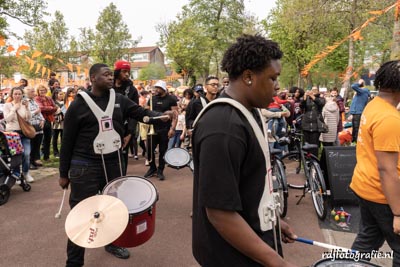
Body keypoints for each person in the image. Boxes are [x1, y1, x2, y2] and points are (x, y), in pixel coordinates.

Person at [192, 34, 297, 267]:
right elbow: (220, 213)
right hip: (231, 256)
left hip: (251, 240)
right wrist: (277, 262)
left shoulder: (250, 112)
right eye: (273, 78)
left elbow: (248, 184)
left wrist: (274, 222)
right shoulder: (223, 127)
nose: (278, 86)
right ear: (248, 77)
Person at [59, 63, 175, 267]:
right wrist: (63, 173)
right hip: (84, 165)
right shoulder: (79, 104)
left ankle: (112, 243)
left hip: (113, 162)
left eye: (110, 75)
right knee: (82, 214)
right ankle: (74, 262)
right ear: (93, 78)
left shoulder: (119, 99)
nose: (110, 78)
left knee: (112, 209)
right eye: (105, 75)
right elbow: (67, 141)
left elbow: (140, 113)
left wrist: (161, 116)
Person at [349, 60, 400, 266]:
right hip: (383, 196)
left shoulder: (374, 105)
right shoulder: (389, 118)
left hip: (366, 187)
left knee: (368, 239)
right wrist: (398, 213)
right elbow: (387, 169)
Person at [143, 80, 178, 180]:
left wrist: (172, 128)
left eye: (158, 88)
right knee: (149, 150)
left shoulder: (171, 99)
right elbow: (147, 111)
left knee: (163, 151)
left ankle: (160, 170)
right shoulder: (152, 98)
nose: (156, 90)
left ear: (163, 89)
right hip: (152, 129)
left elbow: (175, 115)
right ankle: (152, 168)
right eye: (155, 88)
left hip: (165, 129)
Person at [113, 60, 139, 174]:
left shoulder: (132, 90)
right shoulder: (107, 87)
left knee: (122, 159)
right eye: (124, 71)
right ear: (117, 72)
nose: (127, 74)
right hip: (107, 128)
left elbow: (135, 113)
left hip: (125, 129)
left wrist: (129, 133)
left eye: (128, 71)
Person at [3, 87, 33, 182]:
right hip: (12, 133)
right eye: (15, 94)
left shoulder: (24, 105)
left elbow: (28, 119)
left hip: (23, 132)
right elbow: (7, 119)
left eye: (19, 94)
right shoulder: (7, 105)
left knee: (26, 153)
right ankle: (16, 174)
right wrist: (14, 109)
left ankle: (25, 172)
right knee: (15, 155)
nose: (17, 96)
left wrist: (27, 108)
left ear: (22, 95)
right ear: (12, 95)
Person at [300, 86, 325, 157]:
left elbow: (321, 104)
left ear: (318, 91)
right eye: (312, 90)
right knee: (305, 144)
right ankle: (306, 161)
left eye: (315, 90)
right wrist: (304, 98)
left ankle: (314, 161)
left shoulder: (321, 98)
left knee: (314, 145)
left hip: (316, 125)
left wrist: (312, 96)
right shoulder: (307, 99)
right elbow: (302, 107)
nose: (313, 91)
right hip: (306, 124)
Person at [34, 84, 57, 161]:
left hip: (49, 119)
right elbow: (41, 108)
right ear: (38, 91)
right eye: (40, 90)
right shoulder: (36, 98)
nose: (42, 92)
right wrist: (50, 108)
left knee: (48, 138)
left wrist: (50, 108)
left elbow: (55, 108)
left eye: (43, 90)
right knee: (39, 139)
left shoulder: (49, 98)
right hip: (40, 120)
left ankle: (46, 156)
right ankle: (37, 157)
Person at [24, 86, 45, 170]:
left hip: (38, 127)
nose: (34, 93)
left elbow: (40, 113)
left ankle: (34, 160)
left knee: (37, 145)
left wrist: (42, 120)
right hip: (31, 126)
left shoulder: (34, 101)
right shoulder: (25, 102)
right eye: (32, 91)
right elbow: (25, 115)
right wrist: (35, 112)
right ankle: (29, 163)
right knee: (31, 145)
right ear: (27, 93)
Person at [52, 89, 65, 158]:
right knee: (55, 137)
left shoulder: (65, 102)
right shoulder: (53, 102)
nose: (61, 95)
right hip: (56, 121)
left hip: (64, 121)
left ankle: (63, 151)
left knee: (63, 137)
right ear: (55, 95)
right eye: (59, 94)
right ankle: (55, 152)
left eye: (62, 94)